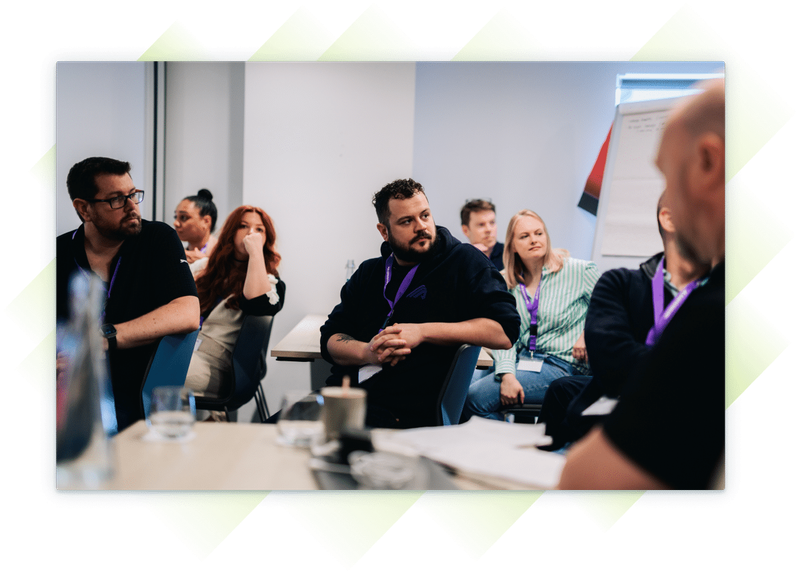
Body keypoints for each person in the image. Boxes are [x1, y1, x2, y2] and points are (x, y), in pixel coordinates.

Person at [557, 78, 726, 490]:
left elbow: (586, 479)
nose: (669, 202)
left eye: (668, 176)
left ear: (708, 162)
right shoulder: (622, 283)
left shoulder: (714, 314)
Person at [319, 179, 520, 429]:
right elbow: (330, 338)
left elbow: (505, 330)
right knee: (278, 427)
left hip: (402, 413)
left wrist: (423, 331)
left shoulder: (464, 262)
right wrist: (367, 352)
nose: (421, 226)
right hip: (342, 399)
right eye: (406, 221)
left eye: (425, 215)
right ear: (384, 231)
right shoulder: (369, 272)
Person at [539, 192, 710, 450]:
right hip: (608, 427)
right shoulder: (619, 284)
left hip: (689, 439)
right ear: (669, 219)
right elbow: (611, 363)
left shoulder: (727, 297)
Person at [56, 157, 200, 431]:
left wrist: (103, 338)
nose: (132, 206)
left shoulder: (157, 239)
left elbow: (188, 312)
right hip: (70, 392)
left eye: (133, 195)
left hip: (133, 396)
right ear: (84, 208)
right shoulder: (57, 254)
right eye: (117, 200)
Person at [463, 210, 599, 421]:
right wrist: (507, 374)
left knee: (474, 399)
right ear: (512, 246)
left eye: (539, 233)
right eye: (524, 236)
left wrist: (587, 332)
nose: (534, 240)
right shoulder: (506, 281)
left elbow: (613, 307)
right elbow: (505, 334)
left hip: (562, 365)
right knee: (459, 389)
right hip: (522, 360)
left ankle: (509, 444)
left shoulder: (578, 271)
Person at [183, 205, 286, 418]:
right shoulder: (203, 268)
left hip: (219, 365)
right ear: (231, 231)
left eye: (259, 230)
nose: (251, 233)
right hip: (184, 351)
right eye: (243, 226)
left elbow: (256, 303)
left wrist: (255, 251)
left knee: (156, 374)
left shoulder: (269, 283)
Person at [173, 189, 218, 275]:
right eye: (176, 217)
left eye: (183, 217)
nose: (175, 223)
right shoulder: (177, 256)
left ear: (206, 221)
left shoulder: (225, 254)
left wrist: (206, 263)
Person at [460, 199, 504, 270]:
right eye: (481, 225)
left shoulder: (511, 255)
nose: (488, 229)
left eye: (492, 222)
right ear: (466, 230)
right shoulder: (460, 261)